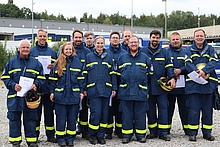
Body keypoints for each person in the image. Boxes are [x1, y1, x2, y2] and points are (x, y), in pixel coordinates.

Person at [1, 39, 45, 147]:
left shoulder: (36, 63)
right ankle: (15, 141)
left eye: (27, 48)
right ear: (19, 49)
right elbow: (5, 77)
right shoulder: (11, 62)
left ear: (30, 50)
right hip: (15, 97)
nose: (25, 49)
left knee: (31, 119)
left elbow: (42, 78)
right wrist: (13, 85)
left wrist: (36, 85)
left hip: (30, 97)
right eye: (23, 47)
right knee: (14, 119)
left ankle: (31, 141)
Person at [141, 30, 176, 141]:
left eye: (157, 37)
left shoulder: (165, 53)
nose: (155, 39)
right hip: (148, 87)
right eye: (153, 37)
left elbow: (169, 67)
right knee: (150, 110)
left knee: (163, 109)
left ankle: (163, 133)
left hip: (161, 87)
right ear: (150, 38)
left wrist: (172, 78)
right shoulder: (143, 52)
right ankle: (153, 132)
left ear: (159, 39)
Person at [48, 42, 84, 147]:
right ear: (62, 51)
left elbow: (81, 79)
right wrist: (52, 92)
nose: (68, 51)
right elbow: (52, 80)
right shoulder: (57, 63)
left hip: (74, 95)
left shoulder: (77, 63)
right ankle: (61, 139)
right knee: (61, 119)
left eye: (70, 49)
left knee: (72, 118)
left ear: (73, 51)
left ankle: (70, 139)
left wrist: (81, 91)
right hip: (60, 96)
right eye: (66, 49)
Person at [185, 29, 218, 142]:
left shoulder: (210, 49)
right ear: (194, 38)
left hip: (207, 85)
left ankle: (207, 133)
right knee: (193, 110)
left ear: (205, 37)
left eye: (201, 36)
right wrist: (198, 72)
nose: (199, 37)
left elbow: (214, 61)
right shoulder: (189, 49)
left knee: (207, 110)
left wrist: (204, 71)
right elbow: (188, 63)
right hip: (194, 85)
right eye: (197, 36)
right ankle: (192, 133)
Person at [117, 35, 151, 144]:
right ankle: (127, 135)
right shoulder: (122, 58)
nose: (133, 44)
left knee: (140, 114)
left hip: (140, 90)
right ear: (128, 44)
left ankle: (140, 135)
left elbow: (150, 74)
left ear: (138, 43)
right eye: (131, 42)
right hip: (126, 91)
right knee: (126, 114)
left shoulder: (145, 57)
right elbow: (118, 75)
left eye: (135, 42)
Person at [84, 36, 117, 145]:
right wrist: (84, 88)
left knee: (105, 114)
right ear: (94, 44)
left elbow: (113, 74)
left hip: (106, 90)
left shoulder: (109, 56)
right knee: (95, 113)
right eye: (98, 43)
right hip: (94, 90)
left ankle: (101, 135)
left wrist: (114, 88)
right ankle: (92, 135)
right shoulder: (89, 57)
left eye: (101, 43)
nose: (100, 45)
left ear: (104, 44)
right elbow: (85, 74)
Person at [30, 29, 57, 143]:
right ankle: (34, 135)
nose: (42, 38)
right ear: (37, 37)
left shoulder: (52, 52)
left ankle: (50, 135)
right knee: (35, 113)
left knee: (49, 114)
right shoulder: (31, 51)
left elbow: (57, 69)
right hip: (36, 88)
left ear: (47, 37)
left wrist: (54, 66)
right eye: (40, 36)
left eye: (44, 36)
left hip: (48, 87)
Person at [166, 32, 188, 135]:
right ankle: (166, 129)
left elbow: (189, 65)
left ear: (180, 40)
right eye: (173, 39)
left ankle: (187, 129)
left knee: (184, 109)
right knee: (168, 109)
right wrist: (172, 75)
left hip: (183, 86)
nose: (175, 41)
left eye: (177, 39)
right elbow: (164, 66)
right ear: (170, 41)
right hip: (170, 86)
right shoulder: (165, 52)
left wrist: (180, 70)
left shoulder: (186, 52)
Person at [70, 30, 91, 139]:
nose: (78, 39)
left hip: (84, 85)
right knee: (73, 109)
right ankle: (72, 130)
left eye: (79, 37)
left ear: (82, 38)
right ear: (72, 38)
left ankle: (84, 130)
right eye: (76, 37)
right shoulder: (68, 50)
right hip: (71, 85)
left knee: (84, 110)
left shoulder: (87, 52)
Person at [105, 32, 127, 139]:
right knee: (109, 109)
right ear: (109, 40)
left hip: (121, 84)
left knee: (120, 109)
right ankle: (108, 131)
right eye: (113, 38)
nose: (115, 40)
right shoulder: (105, 52)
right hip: (108, 84)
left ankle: (119, 130)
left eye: (117, 38)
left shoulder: (124, 53)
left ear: (120, 40)